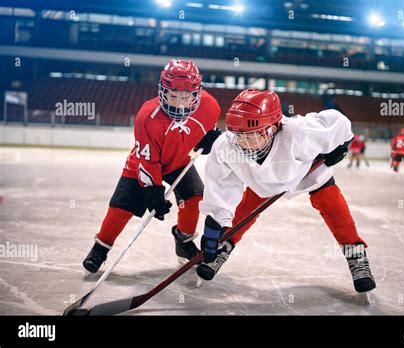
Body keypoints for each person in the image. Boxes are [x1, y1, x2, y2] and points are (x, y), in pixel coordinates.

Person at [197, 89, 376, 293]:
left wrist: (342, 145)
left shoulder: (300, 132)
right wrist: (213, 229)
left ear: (273, 128)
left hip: (305, 172)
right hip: (263, 181)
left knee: (334, 208)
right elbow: (221, 187)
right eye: (238, 135)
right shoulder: (226, 146)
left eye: (251, 136)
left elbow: (339, 122)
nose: (243, 143)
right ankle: (224, 247)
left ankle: (356, 255)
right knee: (243, 211)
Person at [82, 59, 222, 273]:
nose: (179, 103)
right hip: (143, 164)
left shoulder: (210, 106)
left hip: (178, 162)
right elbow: (148, 161)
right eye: (173, 96)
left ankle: (183, 242)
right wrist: (154, 191)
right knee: (121, 208)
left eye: (185, 97)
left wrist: (208, 139)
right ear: (162, 91)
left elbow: (205, 131)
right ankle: (101, 247)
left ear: (196, 93)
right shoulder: (147, 117)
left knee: (194, 198)